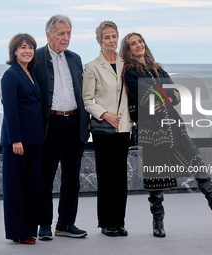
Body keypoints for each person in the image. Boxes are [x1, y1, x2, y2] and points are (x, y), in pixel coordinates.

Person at [120, 32, 212, 237]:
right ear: (128, 49)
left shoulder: (157, 67)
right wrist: (163, 93)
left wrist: (162, 94)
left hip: (173, 123)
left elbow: (175, 95)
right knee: (155, 173)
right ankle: (157, 220)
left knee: (194, 157)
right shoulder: (130, 71)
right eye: (133, 44)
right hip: (151, 128)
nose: (138, 45)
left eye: (140, 42)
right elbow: (145, 96)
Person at [32, 14, 89, 240]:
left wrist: (85, 127)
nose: (66, 38)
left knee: (72, 178)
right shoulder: (36, 58)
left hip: (74, 123)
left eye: (68, 33)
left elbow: (83, 93)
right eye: (61, 33)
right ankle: (44, 223)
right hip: (51, 125)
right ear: (49, 35)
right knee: (45, 177)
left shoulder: (75, 58)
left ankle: (66, 224)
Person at [82, 21, 132, 237]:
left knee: (121, 176)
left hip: (124, 127)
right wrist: (104, 114)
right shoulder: (92, 66)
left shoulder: (127, 63)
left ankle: (119, 221)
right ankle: (106, 223)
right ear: (99, 41)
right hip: (104, 129)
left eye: (114, 36)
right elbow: (87, 99)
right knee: (106, 176)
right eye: (107, 37)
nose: (111, 40)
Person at [0, 33, 44, 244]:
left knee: (32, 187)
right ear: (14, 51)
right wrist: (16, 139)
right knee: (16, 189)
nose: (27, 51)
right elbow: (10, 109)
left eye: (31, 47)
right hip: (16, 142)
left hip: (34, 139)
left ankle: (29, 230)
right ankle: (19, 233)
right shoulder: (11, 74)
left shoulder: (31, 72)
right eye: (23, 47)